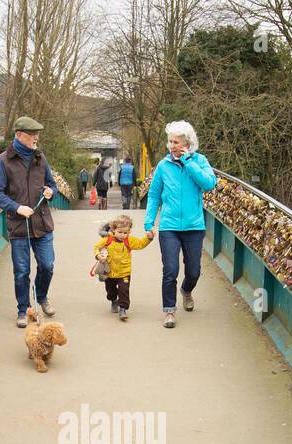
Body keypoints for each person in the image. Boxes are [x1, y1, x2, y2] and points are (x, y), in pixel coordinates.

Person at [143, 121, 217, 329]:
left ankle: (186, 290)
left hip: (194, 226)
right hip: (169, 226)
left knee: (193, 271)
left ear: (187, 143)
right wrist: (149, 222)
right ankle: (169, 311)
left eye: (176, 142)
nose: (171, 146)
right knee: (170, 269)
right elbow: (154, 195)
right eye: (170, 141)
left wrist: (188, 162)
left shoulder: (200, 161)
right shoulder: (163, 166)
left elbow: (209, 184)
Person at [0, 115, 58, 328]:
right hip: (19, 225)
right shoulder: (4, 161)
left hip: (42, 223)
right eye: (32, 134)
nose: (36, 138)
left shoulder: (40, 158)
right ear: (19, 135)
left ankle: (41, 296)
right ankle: (23, 309)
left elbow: (52, 185)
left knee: (47, 265)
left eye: (37, 134)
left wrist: (51, 192)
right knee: (21, 271)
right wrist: (17, 208)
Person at [93, 214, 154, 321]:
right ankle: (113, 300)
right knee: (110, 291)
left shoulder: (129, 240)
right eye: (120, 232)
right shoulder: (107, 240)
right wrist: (98, 255)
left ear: (129, 231)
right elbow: (97, 247)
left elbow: (140, 244)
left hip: (124, 273)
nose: (122, 235)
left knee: (124, 290)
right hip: (109, 273)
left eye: (125, 233)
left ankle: (123, 309)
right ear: (113, 230)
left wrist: (148, 238)